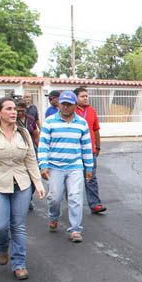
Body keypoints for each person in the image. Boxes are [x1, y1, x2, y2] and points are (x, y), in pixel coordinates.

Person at [0, 97, 45, 280]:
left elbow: (30, 159)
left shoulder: (23, 133)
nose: (14, 112)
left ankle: (19, 263)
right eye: (8, 109)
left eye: (14, 108)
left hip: (21, 185)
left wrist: (38, 184)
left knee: (18, 226)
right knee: (0, 226)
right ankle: (1, 248)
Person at [38, 91, 93, 243]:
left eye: (69, 105)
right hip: (54, 166)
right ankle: (53, 216)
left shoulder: (81, 123)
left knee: (75, 197)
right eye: (63, 104)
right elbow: (43, 146)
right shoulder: (50, 122)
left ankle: (75, 229)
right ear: (59, 104)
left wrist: (89, 167)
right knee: (54, 198)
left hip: (75, 166)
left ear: (75, 106)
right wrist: (43, 165)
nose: (66, 107)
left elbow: (86, 147)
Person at [73, 87, 106, 214]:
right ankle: (73, 205)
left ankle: (95, 204)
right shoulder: (71, 111)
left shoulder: (91, 111)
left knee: (91, 178)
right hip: (74, 152)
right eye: (82, 96)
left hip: (89, 151)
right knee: (73, 179)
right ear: (76, 98)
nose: (86, 98)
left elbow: (96, 129)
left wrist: (97, 146)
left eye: (86, 96)